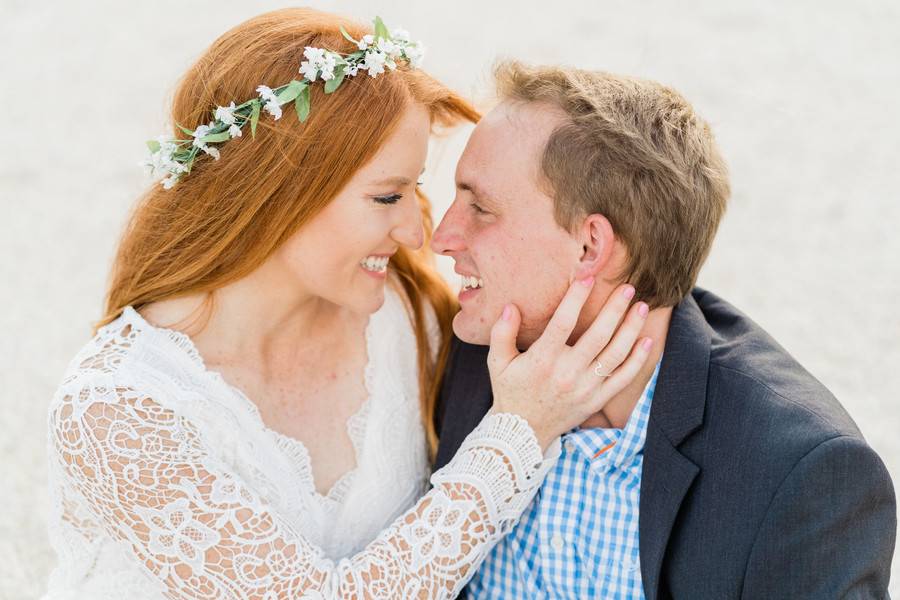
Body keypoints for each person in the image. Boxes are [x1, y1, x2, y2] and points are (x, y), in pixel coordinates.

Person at [42, 9, 656, 600]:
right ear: (279, 193)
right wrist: (518, 434)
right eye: (387, 197)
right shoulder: (116, 408)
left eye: (414, 189)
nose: (419, 236)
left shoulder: (403, 316)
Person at [432, 62, 897, 598]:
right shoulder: (466, 351)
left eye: (481, 208)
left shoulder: (802, 477)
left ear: (590, 247)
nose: (442, 236)